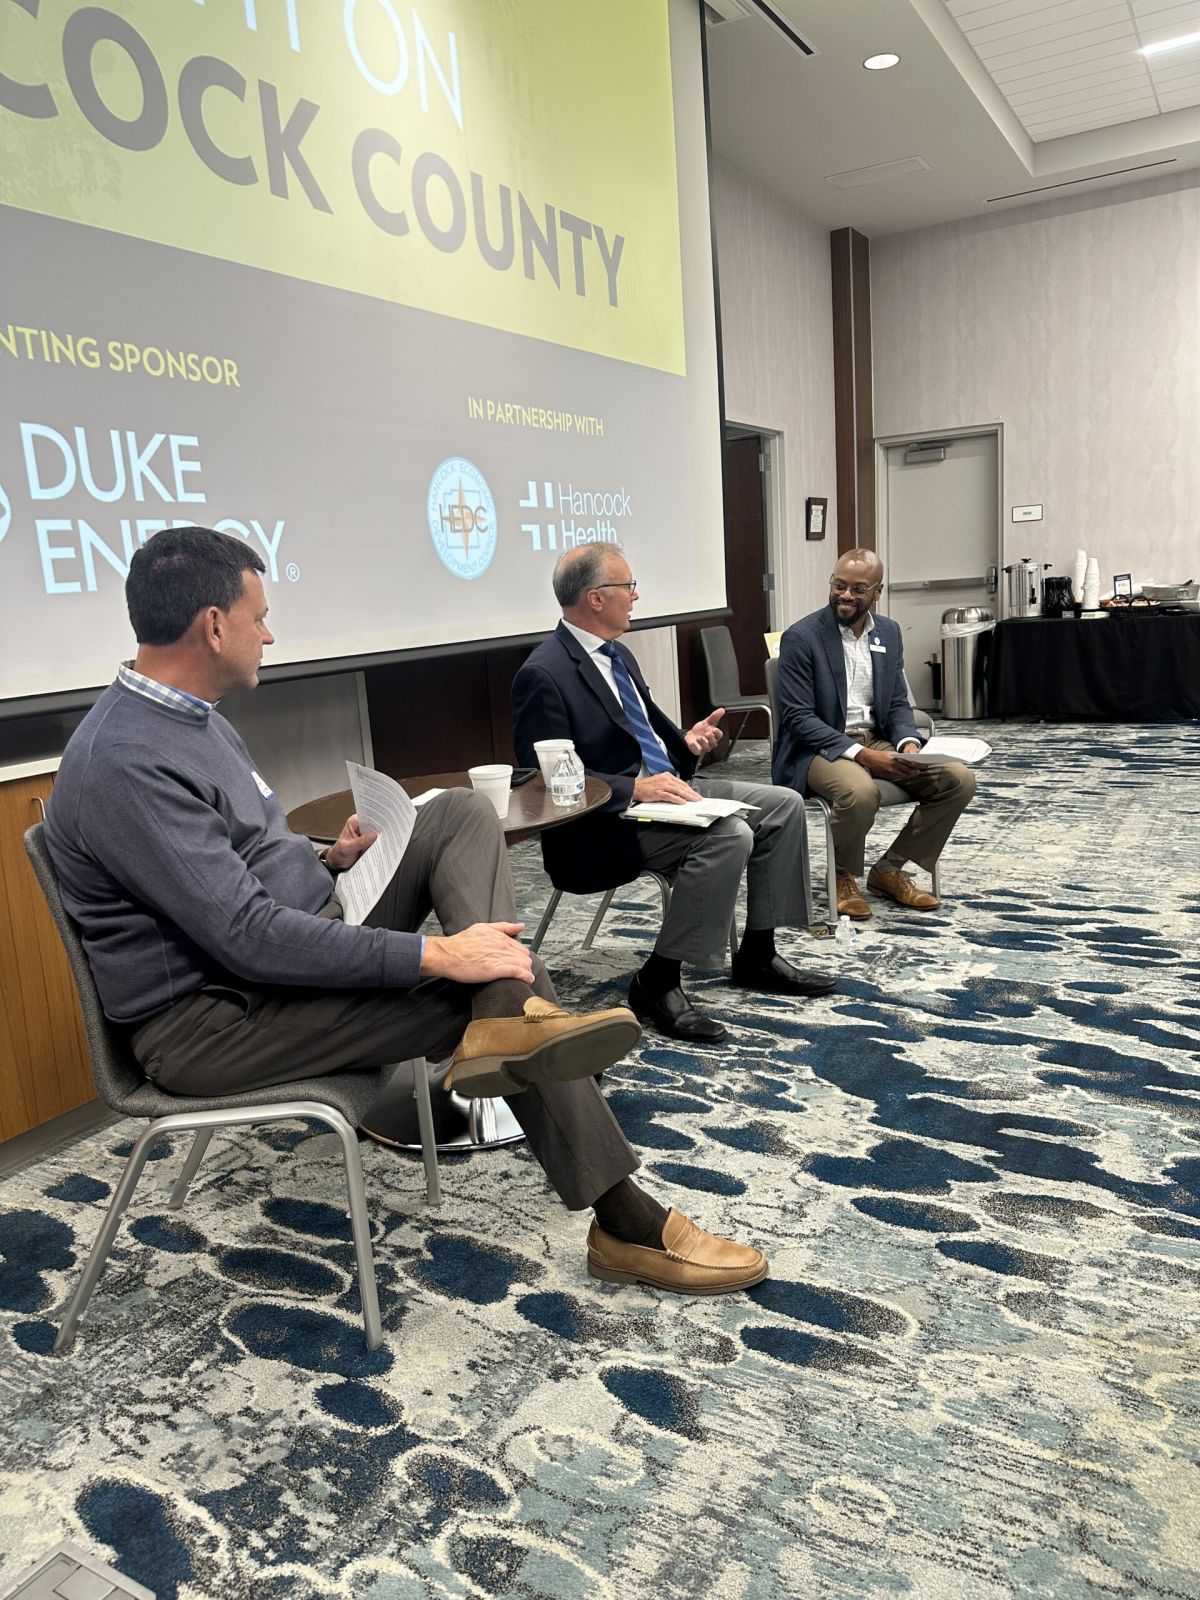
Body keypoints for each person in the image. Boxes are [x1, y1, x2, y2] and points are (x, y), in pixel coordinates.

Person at [44, 527, 768, 1296]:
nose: (270, 633)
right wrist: (434, 956)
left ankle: (508, 1014)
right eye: (258, 617)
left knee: (457, 813)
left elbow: (231, 868)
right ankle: (624, 1220)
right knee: (488, 975)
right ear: (212, 625)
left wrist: (327, 861)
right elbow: (246, 939)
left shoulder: (193, 717)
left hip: (289, 944)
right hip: (213, 1020)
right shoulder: (126, 760)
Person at [511, 545, 835, 1045]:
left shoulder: (616, 655)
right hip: (602, 827)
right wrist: (635, 788)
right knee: (729, 834)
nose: (636, 597)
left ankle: (758, 953)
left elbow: (645, 741)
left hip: (667, 796)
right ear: (596, 598)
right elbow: (541, 779)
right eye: (628, 587)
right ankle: (657, 981)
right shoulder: (544, 672)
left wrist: (685, 744)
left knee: (785, 805)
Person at [772, 548, 976, 919]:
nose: (845, 595)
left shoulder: (889, 633)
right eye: (839, 585)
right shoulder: (802, 637)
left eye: (857, 589)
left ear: (877, 592)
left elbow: (897, 702)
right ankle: (842, 876)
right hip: (819, 747)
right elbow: (799, 718)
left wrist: (908, 743)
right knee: (859, 791)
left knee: (958, 779)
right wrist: (863, 756)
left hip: (878, 739)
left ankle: (889, 869)